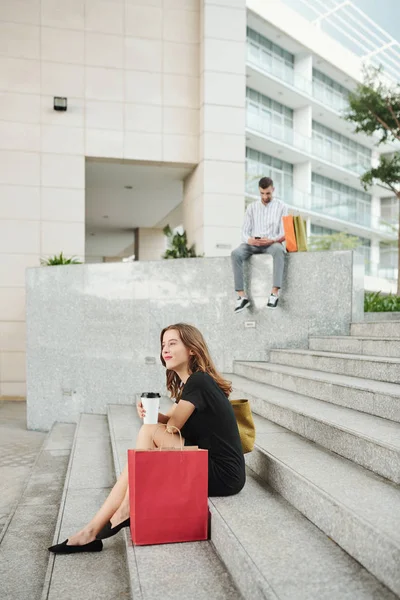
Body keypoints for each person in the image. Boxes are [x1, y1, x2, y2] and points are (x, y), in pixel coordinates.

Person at [49, 323, 246, 554]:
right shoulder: (190, 385)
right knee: (134, 462)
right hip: (208, 465)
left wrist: (154, 422)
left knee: (147, 433)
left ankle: (124, 511)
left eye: (173, 343)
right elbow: (167, 420)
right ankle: (92, 531)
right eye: (163, 345)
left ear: (192, 349)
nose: (166, 350)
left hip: (223, 474)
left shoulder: (199, 382)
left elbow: (172, 428)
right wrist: (149, 413)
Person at [231, 176, 288, 313]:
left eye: (268, 193)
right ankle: (241, 297)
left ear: (273, 190)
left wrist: (272, 240)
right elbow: (244, 232)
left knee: (279, 250)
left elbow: (284, 232)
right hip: (253, 244)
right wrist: (250, 240)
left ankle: (274, 294)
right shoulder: (251, 207)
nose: (265, 196)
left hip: (272, 243)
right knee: (236, 253)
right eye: (262, 193)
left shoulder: (282, 207)